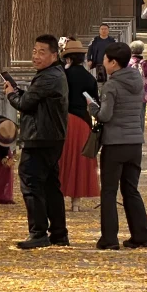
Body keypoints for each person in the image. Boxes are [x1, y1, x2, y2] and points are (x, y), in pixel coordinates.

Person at [4, 35, 70, 249]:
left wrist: (11, 95)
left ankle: (38, 232)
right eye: (34, 51)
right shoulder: (52, 74)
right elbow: (35, 100)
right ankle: (58, 233)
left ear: (54, 55)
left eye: (42, 52)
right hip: (49, 136)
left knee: (31, 183)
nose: (36, 56)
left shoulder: (49, 76)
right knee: (50, 185)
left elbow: (25, 104)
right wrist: (20, 93)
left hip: (40, 137)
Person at [91, 40, 147, 250]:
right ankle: (143, 235)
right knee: (130, 189)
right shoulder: (136, 80)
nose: (103, 62)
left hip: (115, 143)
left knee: (109, 191)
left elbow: (105, 115)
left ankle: (109, 238)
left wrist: (92, 108)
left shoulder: (111, 85)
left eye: (105, 59)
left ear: (113, 63)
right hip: (135, 141)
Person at [59, 38, 100, 204]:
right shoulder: (89, 78)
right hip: (82, 121)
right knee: (80, 160)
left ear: (68, 58)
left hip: (65, 119)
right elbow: (95, 101)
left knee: (63, 158)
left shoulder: (63, 76)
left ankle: (59, 195)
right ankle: (76, 202)